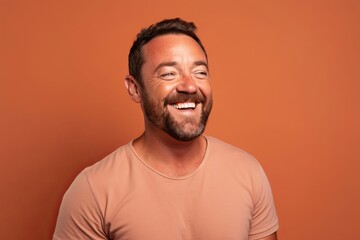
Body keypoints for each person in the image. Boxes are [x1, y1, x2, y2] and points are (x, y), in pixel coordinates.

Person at [53, 18, 279, 240]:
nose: (190, 86)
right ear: (135, 89)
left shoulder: (249, 173)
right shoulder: (92, 190)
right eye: (169, 73)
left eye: (200, 72)